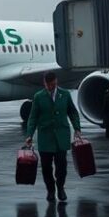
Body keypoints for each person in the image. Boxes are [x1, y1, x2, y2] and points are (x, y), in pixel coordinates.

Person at [25, 71, 82, 203]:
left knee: (61, 166)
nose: (51, 87)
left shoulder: (65, 95)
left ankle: (60, 187)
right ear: (44, 84)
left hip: (61, 137)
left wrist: (77, 128)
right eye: (49, 85)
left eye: (53, 84)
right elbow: (33, 118)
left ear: (56, 82)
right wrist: (29, 135)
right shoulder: (39, 97)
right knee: (46, 168)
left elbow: (72, 112)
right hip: (46, 138)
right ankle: (50, 190)